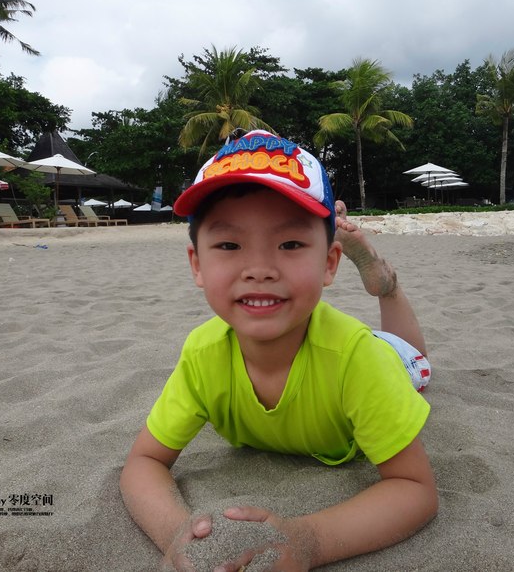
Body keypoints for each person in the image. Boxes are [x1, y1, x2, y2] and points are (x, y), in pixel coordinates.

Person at [120, 130, 437, 571]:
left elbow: (415, 489)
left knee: (416, 362)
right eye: (229, 245)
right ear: (197, 264)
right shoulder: (202, 354)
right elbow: (143, 462)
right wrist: (175, 532)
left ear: (328, 264)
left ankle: (386, 285)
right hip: (332, 345)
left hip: (383, 359)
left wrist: (309, 541)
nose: (259, 269)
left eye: (290, 244)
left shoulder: (356, 358)